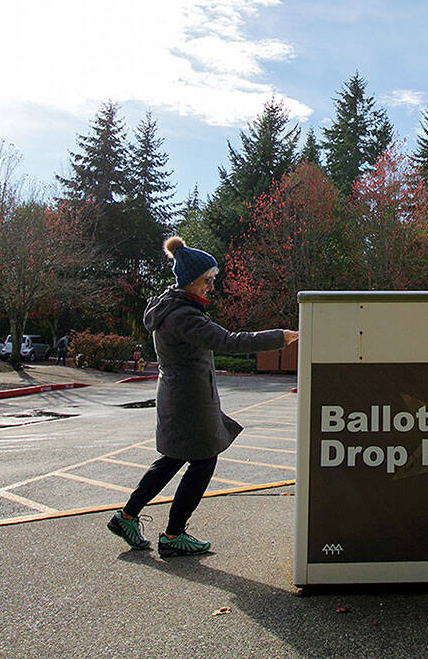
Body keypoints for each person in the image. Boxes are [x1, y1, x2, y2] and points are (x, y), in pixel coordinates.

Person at [107, 235, 297, 557]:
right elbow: (230, 342)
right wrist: (280, 337)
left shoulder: (172, 307)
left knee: (172, 459)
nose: (211, 286)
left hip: (178, 396)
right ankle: (173, 534)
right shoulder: (184, 316)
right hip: (189, 401)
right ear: (190, 279)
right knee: (203, 459)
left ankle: (127, 516)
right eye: (208, 280)